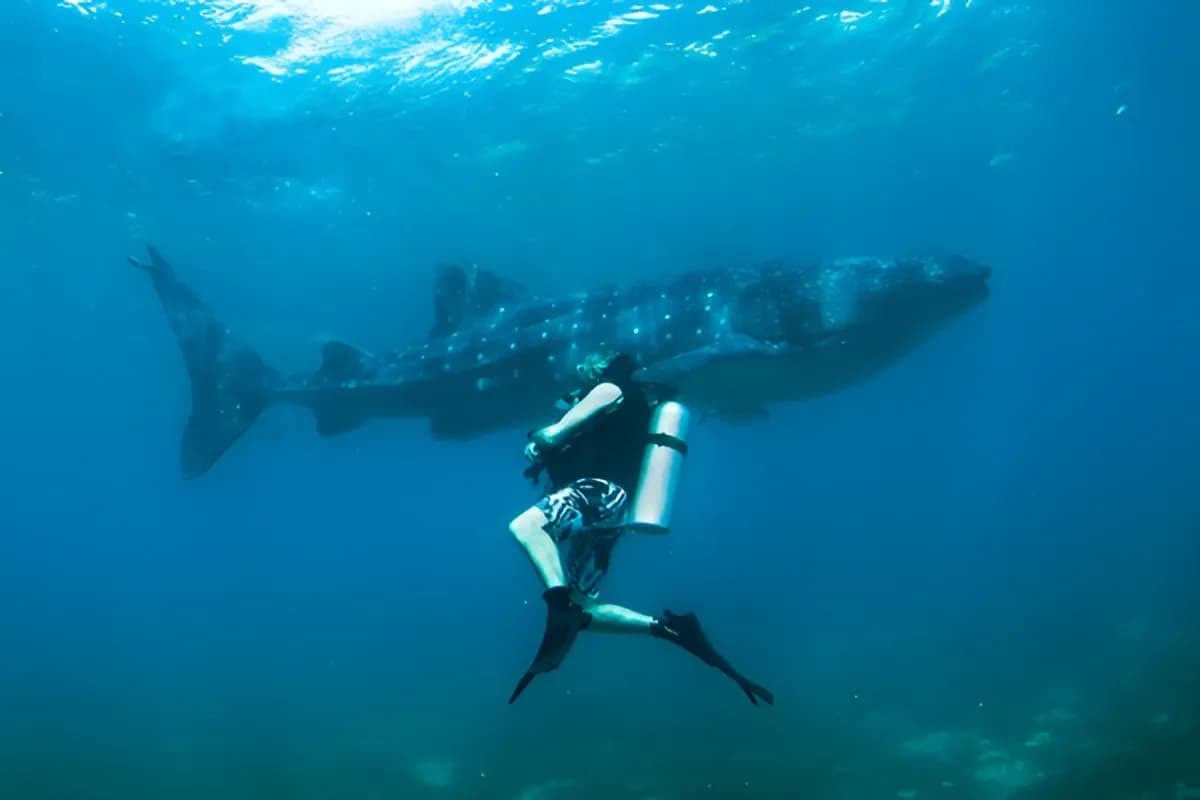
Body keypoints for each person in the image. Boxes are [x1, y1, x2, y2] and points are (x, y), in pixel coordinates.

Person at [507, 350, 774, 706]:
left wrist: (539, 438)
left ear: (597, 367)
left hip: (599, 491)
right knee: (584, 610)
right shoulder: (634, 408)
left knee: (526, 526)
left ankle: (558, 605)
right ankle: (668, 629)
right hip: (616, 508)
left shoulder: (610, 388)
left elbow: (553, 435)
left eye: (583, 371)